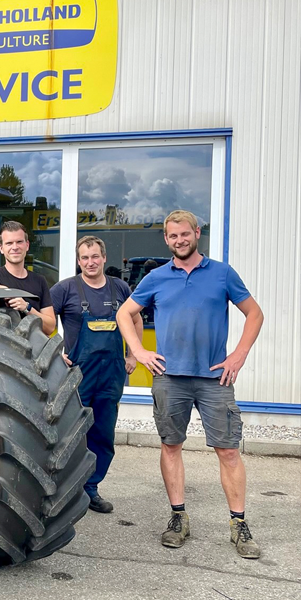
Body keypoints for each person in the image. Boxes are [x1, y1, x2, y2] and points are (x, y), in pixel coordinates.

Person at [116, 210, 264, 559]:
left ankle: (238, 524)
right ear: (166, 239)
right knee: (171, 446)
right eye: (172, 236)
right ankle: (178, 517)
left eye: (185, 234)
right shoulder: (155, 277)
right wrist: (138, 350)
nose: (179, 240)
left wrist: (238, 355)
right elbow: (125, 313)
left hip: (215, 378)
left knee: (228, 450)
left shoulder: (222, 273)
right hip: (170, 378)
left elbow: (254, 313)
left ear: (197, 233)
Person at [50, 236, 142, 513]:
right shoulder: (65, 289)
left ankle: (90, 489)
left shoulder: (120, 288)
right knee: (70, 434)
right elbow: (43, 322)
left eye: (95, 257)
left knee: (102, 433)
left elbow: (136, 319)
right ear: (79, 261)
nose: (90, 262)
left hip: (111, 374)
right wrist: (56, 352)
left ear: (103, 258)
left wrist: (133, 354)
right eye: (84, 258)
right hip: (77, 374)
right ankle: (63, 490)